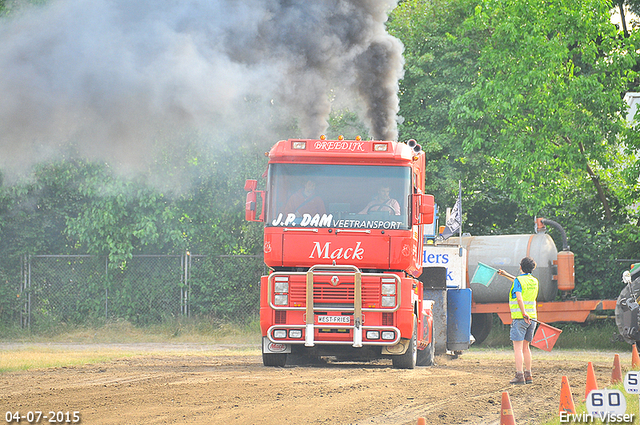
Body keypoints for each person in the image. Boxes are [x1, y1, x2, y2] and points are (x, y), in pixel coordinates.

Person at [497, 256, 539, 385]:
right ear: (533, 268)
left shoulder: (519, 281)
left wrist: (523, 313)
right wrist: (505, 275)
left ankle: (519, 375)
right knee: (526, 347)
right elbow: (518, 281)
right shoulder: (534, 281)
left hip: (521, 318)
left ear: (520, 267)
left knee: (518, 348)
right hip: (532, 318)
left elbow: (519, 298)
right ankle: (528, 374)